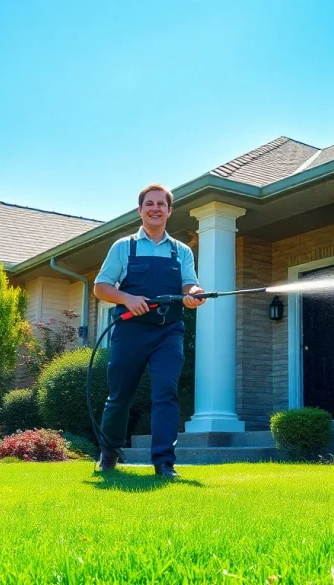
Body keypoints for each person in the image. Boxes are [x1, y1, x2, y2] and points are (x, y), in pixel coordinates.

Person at [92, 183, 205, 478]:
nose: (155, 209)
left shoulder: (181, 251)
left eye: (161, 204)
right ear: (140, 210)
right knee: (120, 395)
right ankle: (109, 454)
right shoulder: (124, 247)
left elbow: (189, 285)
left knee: (166, 392)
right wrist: (127, 298)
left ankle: (164, 463)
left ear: (169, 210)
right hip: (130, 330)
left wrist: (194, 294)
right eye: (150, 204)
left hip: (168, 331)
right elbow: (100, 287)